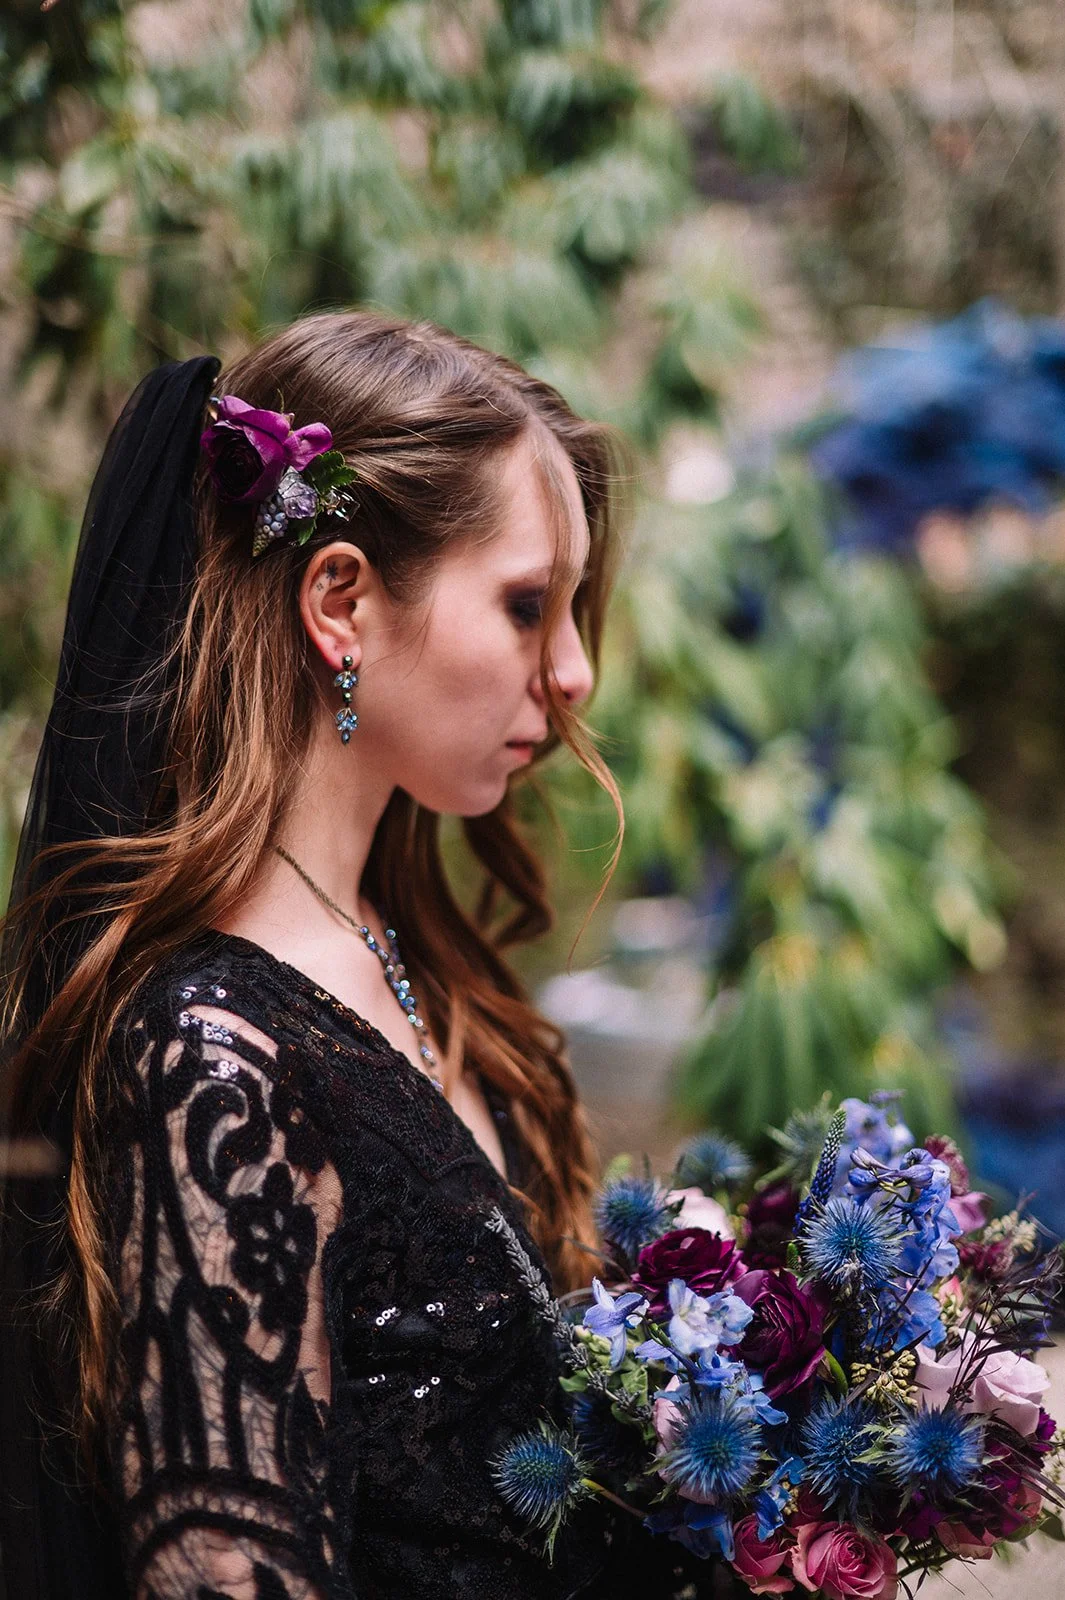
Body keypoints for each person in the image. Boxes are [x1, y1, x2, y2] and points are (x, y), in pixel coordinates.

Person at [0, 313, 714, 1600]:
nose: (576, 670)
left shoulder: (417, 969)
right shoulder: (212, 1058)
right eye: (527, 604)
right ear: (340, 600)